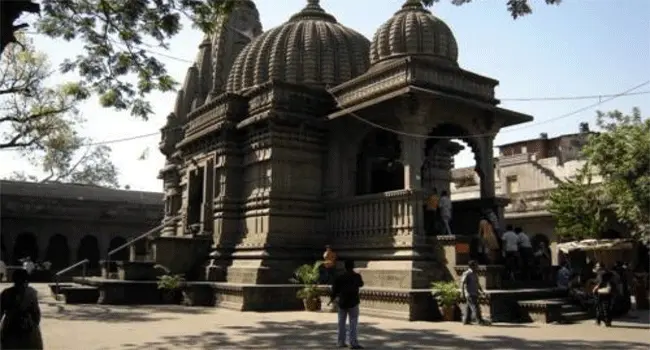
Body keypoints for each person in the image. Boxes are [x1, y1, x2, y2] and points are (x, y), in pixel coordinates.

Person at [0, 268, 44, 349]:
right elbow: (36, 314)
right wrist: (34, 327)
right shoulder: (31, 293)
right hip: (27, 328)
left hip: (10, 326)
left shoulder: (6, 293)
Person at [331, 260, 364, 349]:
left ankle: (341, 342)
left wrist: (333, 298)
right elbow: (361, 284)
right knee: (353, 322)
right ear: (353, 266)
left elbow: (334, 289)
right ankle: (353, 342)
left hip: (342, 302)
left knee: (341, 322)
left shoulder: (340, 277)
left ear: (344, 267)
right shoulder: (356, 276)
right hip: (353, 301)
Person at [460, 260, 488, 325]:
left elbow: (477, 283)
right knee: (475, 307)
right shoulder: (467, 273)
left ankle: (466, 321)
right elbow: (463, 283)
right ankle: (480, 321)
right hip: (470, 293)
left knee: (468, 307)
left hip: (475, 292)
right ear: (472, 266)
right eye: (476, 265)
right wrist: (462, 293)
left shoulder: (475, 273)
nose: (477, 266)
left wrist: (481, 291)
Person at [592, 263, 615, 327]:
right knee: (607, 307)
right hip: (609, 292)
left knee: (600, 307)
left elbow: (600, 282)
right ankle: (607, 321)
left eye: (597, 266)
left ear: (599, 267)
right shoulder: (610, 273)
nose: (596, 267)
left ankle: (600, 321)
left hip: (601, 292)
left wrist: (595, 289)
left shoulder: (601, 273)